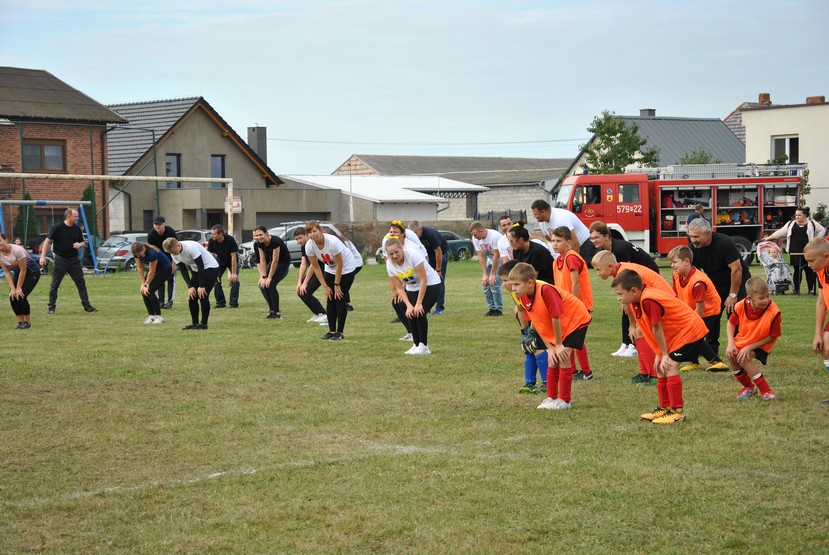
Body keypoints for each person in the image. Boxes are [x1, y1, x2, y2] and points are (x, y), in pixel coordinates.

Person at [611, 269, 710, 425]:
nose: (618, 298)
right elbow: (650, 330)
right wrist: (658, 353)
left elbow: (657, 328)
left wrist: (664, 354)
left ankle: (677, 413)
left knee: (669, 366)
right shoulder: (636, 301)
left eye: (620, 294)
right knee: (660, 368)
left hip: (690, 331)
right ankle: (664, 408)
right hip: (678, 335)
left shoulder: (648, 300)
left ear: (634, 290)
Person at [508, 262, 591, 410]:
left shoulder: (546, 291)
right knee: (553, 360)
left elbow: (556, 318)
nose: (512, 288)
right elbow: (540, 323)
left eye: (516, 284)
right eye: (511, 284)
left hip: (576, 321)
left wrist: (558, 345)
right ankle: (551, 398)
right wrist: (550, 348)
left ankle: (565, 400)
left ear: (529, 283)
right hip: (561, 325)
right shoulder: (522, 296)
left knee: (563, 357)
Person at [592, 249, 673, 385]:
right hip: (651, 299)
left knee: (640, 332)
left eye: (599, 270)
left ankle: (654, 375)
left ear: (610, 266)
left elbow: (631, 300)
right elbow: (630, 302)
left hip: (661, 300)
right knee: (637, 333)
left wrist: (633, 325)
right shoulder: (619, 271)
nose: (598, 273)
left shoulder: (624, 272)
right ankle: (644, 372)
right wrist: (633, 325)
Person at [588, 221, 659, 358]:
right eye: (591, 238)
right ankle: (625, 343)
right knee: (625, 308)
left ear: (607, 236)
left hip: (646, 274)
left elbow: (625, 275)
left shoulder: (619, 249)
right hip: (633, 277)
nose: (593, 241)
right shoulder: (605, 251)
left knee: (630, 307)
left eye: (596, 237)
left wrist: (625, 300)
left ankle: (634, 345)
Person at [687, 218, 751, 352]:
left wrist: (732, 295)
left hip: (736, 280)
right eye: (691, 236)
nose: (693, 240)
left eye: (697, 236)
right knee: (711, 315)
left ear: (708, 233)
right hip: (714, 282)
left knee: (734, 312)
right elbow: (694, 273)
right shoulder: (693, 248)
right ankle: (711, 349)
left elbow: (736, 269)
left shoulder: (724, 242)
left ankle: (738, 346)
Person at [667, 245, 729, 372]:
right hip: (692, 311)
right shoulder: (676, 275)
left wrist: (692, 323)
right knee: (692, 335)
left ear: (686, 261)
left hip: (708, 312)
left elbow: (701, 306)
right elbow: (676, 294)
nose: (672, 266)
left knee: (695, 335)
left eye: (674, 262)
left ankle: (718, 362)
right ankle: (694, 362)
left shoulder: (698, 282)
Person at [726, 277, 781, 401]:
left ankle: (766, 391)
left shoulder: (774, 312)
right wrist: (731, 343)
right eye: (761, 298)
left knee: (743, 358)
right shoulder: (740, 306)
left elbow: (773, 336)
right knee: (732, 356)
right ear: (749, 298)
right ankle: (748, 388)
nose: (766, 300)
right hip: (744, 340)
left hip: (762, 343)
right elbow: (730, 323)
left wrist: (749, 347)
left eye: (768, 296)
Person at [385, 237, 442, 355]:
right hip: (412, 287)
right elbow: (399, 288)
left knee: (419, 312)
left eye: (396, 252)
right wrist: (409, 305)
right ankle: (416, 344)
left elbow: (423, 280)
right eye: (391, 254)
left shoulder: (413, 255)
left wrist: (419, 303)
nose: (394, 256)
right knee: (410, 313)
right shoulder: (389, 265)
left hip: (431, 284)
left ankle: (424, 346)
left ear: (401, 248)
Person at [497, 260, 547, 394]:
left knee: (538, 348)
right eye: (504, 281)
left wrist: (531, 331)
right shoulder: (515, 290)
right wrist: (525, 333)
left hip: (542, 319)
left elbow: (538, 313)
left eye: (506, 280)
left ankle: (547, 381)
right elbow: (520, 309)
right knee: (528, 348)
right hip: (531, 320)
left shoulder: (529, 289)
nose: (505, 284)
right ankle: (529, 382)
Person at [551, 226, 594, 381]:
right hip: (565, 305)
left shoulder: (571, 257)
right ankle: (574, 370)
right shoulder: (557, 261)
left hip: (578, 304)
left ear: (568, 243)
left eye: (558, 241)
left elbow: (575, 283)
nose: (555, 244)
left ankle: (586, 372)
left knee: (576, 339)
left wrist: (575, 303)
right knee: (568, 339)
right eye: (553, 241)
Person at [305, 220, 358, 340]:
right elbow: (315, 266)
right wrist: (325, 287)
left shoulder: (332, 242)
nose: (313, 234)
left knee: (339, 298)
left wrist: (336, 285)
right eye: (309, 232)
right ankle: (331, 331)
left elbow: (340, 264)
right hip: (330, 269)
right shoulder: (309, 245)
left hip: (346, 268)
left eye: (314, 231)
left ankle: (340, 332)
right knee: (330, 299)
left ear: (321, 231)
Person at [40, 208, 97, 314]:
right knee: (55, 284)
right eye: (75, 216)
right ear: (68, 216)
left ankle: (87, 306)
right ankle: (51, 307)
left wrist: (79, 244)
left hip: (74, 260)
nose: (77, 218)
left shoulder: (76, 229)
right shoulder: (58, 227)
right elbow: (47, 241)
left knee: (81, 283)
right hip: (61, 260)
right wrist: (42, 257)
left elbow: (82, 242)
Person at [764, 206, 825, 295]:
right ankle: (796, 289)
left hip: (808, 251)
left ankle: (811, 289)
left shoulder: (812, 223)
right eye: (796, 215)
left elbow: (822, 230)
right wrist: (768, 238)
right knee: (797, 271)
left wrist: (817, 240)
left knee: (809, 270)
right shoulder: (790, 224)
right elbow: (780, 232)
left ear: (805, 215)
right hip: (794, 251)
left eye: (799, 215)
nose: (797, 217)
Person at [162, 237, 220, 330]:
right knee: (192, 296)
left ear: (178, 244)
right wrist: (190, 286)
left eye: (174, 251)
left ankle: (204, 324)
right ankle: (195, 323)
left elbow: (201, 266)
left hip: (210, 268)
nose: (174, 254)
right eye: (171, 253)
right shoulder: (173, 253)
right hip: (196, 270)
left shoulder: (190, 247)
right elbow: (183, 270)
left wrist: (201, 286)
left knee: (202, 295)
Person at [803, 238, 829, 405]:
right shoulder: (821, 271)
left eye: (812, 260)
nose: (809, 264)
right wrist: (817, 334)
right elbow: (821, 302)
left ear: (826, 256)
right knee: (825, 348)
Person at [0, 232, 40, 329]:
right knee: (12, 296)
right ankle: (20, 322)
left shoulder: (17, 250)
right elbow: (7, 272)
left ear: (6, 240)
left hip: (32, 272)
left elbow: (23, 270)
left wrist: (18, 288)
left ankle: (27, 322)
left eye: (0, 241)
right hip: (18, 273)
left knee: (21, 295)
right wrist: (13, 289)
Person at [409, 220, 448, 315]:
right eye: (412, 233)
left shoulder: (430, 233)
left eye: (415, 232)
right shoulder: (411, 237)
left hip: (441, 253)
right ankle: (426, 305)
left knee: (439, 279)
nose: (413, 235)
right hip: (427, 256)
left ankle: (439, 307)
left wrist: (438, 270)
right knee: (424, 279)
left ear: (421, 229)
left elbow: (438, 252)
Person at [252, 225, 291, 319]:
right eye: (256, 236)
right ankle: (272, 310)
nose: (258, 237)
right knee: (264, 285)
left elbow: (275, 261)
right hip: (272, 262)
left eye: (260, 235)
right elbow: (262, 260)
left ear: (266, 233)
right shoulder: (259, 243)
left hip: (283, 263)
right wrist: (264, 277)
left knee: (271, 284)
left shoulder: (275, 241)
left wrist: (269, 278)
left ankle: (277, 313)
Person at [131, 241, 172, 324]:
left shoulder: (151, 254)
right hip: (155, 270)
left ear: (144, 248)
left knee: (150, 290)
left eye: (140, 254)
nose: (138, 256)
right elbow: (140, 268)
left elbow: (152, 271)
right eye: (137, 255)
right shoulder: (136, 254)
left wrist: (147, 284)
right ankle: (151, 316)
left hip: (165, 269)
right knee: (144, 291)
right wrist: (143, 284)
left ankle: (159, 317)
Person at [294, 227, 328, 324]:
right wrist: (299, 282)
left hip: (322, 271)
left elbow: (314, 265)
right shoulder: (304, 246)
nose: (298, 241)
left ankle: (323, 314)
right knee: (301, 291)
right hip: (314, 271)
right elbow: (304, 264)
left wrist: (304, 283)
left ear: (306, 235)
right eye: (296, 239)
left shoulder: (312, 245)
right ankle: (318, 313)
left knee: (306, 291)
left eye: (300, 238)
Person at [469, 221, 503, 316]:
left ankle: (498, 309)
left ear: (481, 230)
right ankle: (491, 308)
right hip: (490, 261)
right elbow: (480, 256)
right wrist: (485, 274)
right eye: (473, 235)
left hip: (500, 261)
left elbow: (497, 256)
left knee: (494, 284)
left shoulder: (495, 236)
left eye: (476, 235)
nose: (475, 238)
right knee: (486, 284)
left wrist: (492, 274)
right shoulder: (475, 239)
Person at [147, 216, 177, 309]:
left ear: (164, 224)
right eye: (155, 224)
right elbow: (151, 251)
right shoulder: (151, 235)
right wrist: (153, 266)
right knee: (160, 281)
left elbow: (175, 248)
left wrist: (173, 264)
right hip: (159, 260)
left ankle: (170, 301)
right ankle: (161, 301)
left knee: (170, 279)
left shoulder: (170, 232)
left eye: (159, 224)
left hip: (170, 257)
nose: (157, 226)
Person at [207, 225, 240, 309]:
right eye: (212, 234)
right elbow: (211, 257)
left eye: (214, 234)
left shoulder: (230, 240)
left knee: (234, 281)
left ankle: (233, 303)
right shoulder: (211, 241)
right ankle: (220, 303)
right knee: (216, 280)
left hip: (232, 262)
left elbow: (233, 257)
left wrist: (233, 273)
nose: (212, 236)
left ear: (221, 234)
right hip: (220, 262)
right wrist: (213, 272)